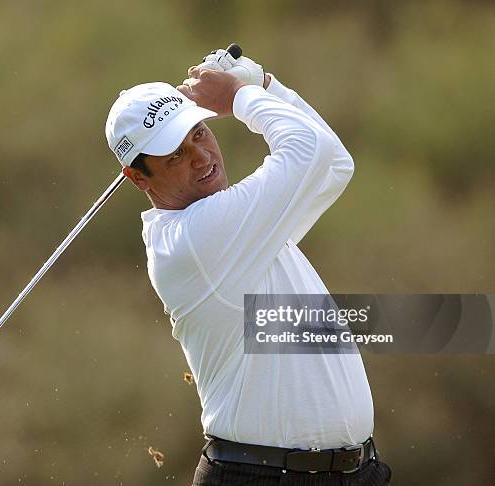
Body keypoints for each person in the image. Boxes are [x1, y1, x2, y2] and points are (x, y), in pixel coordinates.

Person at [105, 48, 392, 486]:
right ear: (138, 178)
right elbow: (307, 150)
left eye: (200, 133)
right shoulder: (196, 238)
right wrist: (240, 94)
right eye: (175, 156)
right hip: (262, 476)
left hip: (351, 473)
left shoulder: (238, 224)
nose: (202, 158)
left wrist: (266, 88)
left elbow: (334, 164)